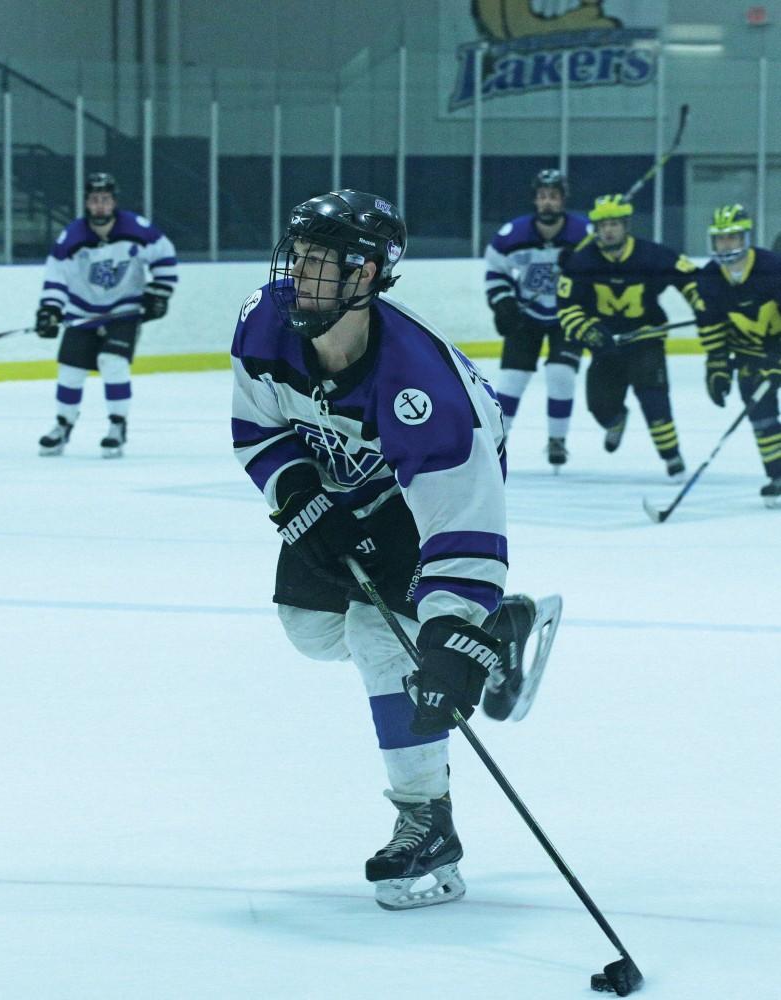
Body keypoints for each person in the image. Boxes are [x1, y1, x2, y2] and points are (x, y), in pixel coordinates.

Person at [230, 189, 558, 910]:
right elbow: (257, 429)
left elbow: (463, 528)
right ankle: (495, 634)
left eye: (324, 263)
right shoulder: (263, 321)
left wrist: (445, 628)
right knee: (311, 630)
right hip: (342, 494)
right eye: (301, 257)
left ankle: (425, 818)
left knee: (382, 638)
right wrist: (298, 500)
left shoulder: (424, 387)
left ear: (369, 275)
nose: (302, 275)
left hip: (416, 505)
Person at [557, 194, 703, 480]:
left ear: (626, 226)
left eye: (614, 224)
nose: (608, 230)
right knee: (599, 406)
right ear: (595, 229)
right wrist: (590, 331)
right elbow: (566, 306)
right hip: (605, 344)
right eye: (603, 225)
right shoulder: (582, 262)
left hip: (646, 340)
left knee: (654, 398)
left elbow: (690, 279)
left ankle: (672, 456)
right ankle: (616, 419)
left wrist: (702, 306)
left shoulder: (651, 255)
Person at [35, 172, 178, 457]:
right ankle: (63, 425)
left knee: (112, 362)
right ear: (87, 203)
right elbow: (56, 276)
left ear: (114, 202)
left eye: (105, 199)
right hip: (81, 314)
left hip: (123, 314)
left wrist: (158, 293)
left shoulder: (138, 228)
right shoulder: (72, 236)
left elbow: (165, 257)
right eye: (94, 200)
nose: (100, 205)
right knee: (71, 371)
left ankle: (117, 426)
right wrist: (50, 309)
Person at [484, 168, 591, 470]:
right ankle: (496, 441)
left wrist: (580, 266)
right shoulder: (513, 234)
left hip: (568, 315)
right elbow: (495, 270)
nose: (548, 202)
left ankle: (558, 441)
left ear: (563, 200)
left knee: (561, 374)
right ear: (535, 200)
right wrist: (503, 303)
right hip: (525, 316)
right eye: (543, 196)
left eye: (554, 197)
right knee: (511, 381)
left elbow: (601, 270)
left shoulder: (584, 235)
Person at [696, 205, 781, 507]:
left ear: (745, 237)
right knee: (761, 413)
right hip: (749, 354)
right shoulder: (708, 278)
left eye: (732, 238)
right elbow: (711, 327)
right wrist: (717, 367)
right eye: (720, 239)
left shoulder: (772, 267)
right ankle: (778, 476)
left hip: (777, 346)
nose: (726, 245)